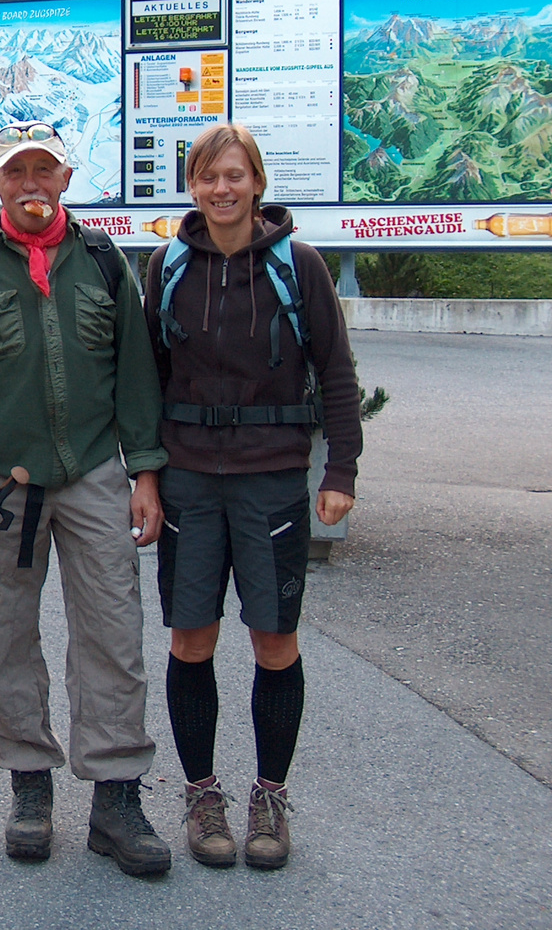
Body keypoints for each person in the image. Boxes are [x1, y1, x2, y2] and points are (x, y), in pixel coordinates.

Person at [0, 120, 172, 877]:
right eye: (16, 172)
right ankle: (29, 787)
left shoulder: (102, 263)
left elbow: (136, 374)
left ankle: (117, 799)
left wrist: (147, 474)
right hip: (0, 486)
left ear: (67, 180)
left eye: (45, 170)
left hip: (95, 473)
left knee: (113, 633)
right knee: (5, 637)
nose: (32, 184)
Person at [143, 122, 361, 871]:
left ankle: (270, 796)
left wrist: (341, 474)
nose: (221, 190)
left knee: (274, 640)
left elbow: (335, 371)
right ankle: (204, 795)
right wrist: (145, 476)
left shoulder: (297, 266)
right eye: (207, 178)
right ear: (193, 187)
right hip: (190, 478)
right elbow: (147, 379)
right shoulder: (168, 265)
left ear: (257, 184)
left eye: (234, 176)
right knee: (190, 639)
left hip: (273, 477)